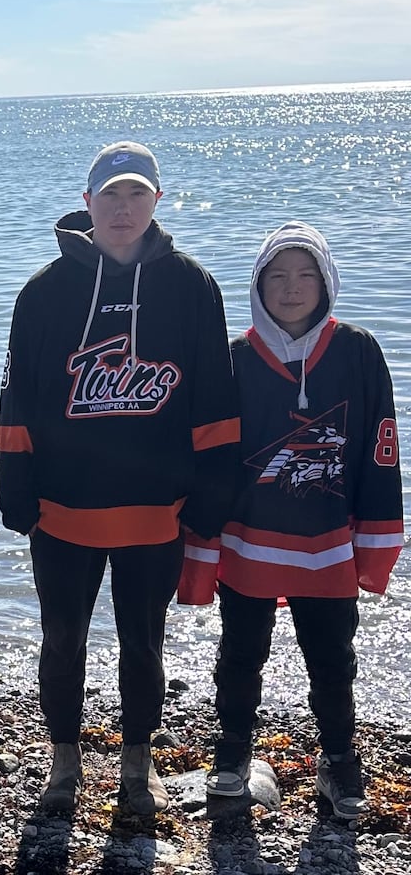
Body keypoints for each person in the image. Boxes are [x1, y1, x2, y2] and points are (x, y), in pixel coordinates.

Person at [0, 142, 241, 815]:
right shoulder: (44, 291)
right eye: (110, 195)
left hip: (154, 511)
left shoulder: (192, 286)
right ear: (88, 204)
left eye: (137, 194)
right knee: (63, 638)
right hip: (63, 509)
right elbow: (18, 396)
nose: (123, 208)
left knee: (144, 641)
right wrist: (14, 481)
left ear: (157, 201)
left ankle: (139, 765)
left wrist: (214, 488)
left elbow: (215, 400)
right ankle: (63, 764)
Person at [179, 222, 403, 819]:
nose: (291, 287)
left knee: (333, 655)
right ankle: (230, 760)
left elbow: (380, 447)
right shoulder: (233, 359)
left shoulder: (358, 350)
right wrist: (200, 543)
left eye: (305, 274)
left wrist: (376, 539)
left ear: (326, 281)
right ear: (258, 285)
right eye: (276, 275)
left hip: (328, 541)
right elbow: (210, 455)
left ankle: (340, 766)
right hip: (247, 539)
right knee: (240, 653)